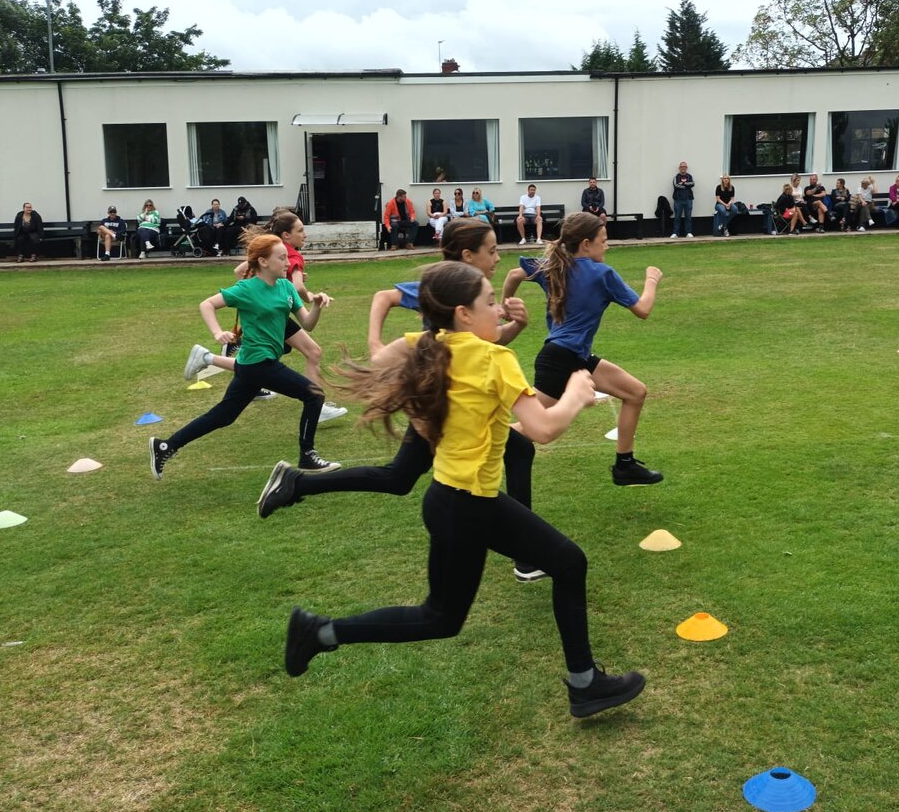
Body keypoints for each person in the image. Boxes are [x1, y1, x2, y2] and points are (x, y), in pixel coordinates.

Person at [282, 261, 647, 720]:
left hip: (451, 501)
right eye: (490, 303)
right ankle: (585, 684)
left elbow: (383, 360)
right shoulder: (496, 360)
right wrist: (576, 391)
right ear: (463, 314)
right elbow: (544, 428)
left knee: (455, 610)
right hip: (468, 506)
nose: (499, 307)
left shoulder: (425, 345)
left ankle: (319, 633)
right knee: (471, 604)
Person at [261, 218, 545, 580]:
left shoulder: (474, 293)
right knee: (404, 476)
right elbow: (385, 297)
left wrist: (517, 325)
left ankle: (297, 484)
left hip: (459, 402)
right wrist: (377, 345)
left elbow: (484, 348)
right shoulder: (446, 285)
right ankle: (527, 555)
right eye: (491, 251)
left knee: (406, 476)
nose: (497, 259)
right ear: (468, 255)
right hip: (439, 405)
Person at [149, 231, 340, 482]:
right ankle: (307, 455)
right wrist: (218, 332)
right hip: (259, 363)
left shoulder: (285, 287)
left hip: (252, 365)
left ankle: (165, 446)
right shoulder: (246, 289)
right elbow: (207, 304)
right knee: (313, 394)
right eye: (282, 258)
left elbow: (308, 324)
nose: (288, 263)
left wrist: (316, 305)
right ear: (263, 262)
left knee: (223, 416)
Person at [503, 212, 665, 486]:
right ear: (586, 244)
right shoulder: (602, 273)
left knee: (636, 392)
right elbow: (643, 309)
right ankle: (475, 440)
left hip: (570, 356)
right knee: (531, 428)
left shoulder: (553, 265)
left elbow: (513, 274)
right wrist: (652, 280)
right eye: (603, 241)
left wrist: (507, 304)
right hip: (561, 359)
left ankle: (624, 466)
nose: (607, 246)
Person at [184, 211, 349, 423]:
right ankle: (317, 403)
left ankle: (210, 359)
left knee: (267, 359)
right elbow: (297, 286)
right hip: (274, 311)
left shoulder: (269, 247)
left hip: (272, 308)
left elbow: (239, 271)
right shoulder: (292, 255)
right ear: (286, 235)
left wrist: (262, 286)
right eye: (300, 230)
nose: (305, 235)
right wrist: (309, 297)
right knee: (304, 353)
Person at [670, 162, 695, 238]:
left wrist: (683, 183)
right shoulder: (676, 177)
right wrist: (686, 185)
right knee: (677, 217)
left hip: (688, 199)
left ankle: (688, 232)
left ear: (686, 168)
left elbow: (692, 184)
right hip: (678, 200)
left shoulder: (689, 176)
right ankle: (675, 233)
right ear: (679, 168)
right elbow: (676, 185)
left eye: (684, 167)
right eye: (681, 167)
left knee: (688, 217)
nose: (683, 168)